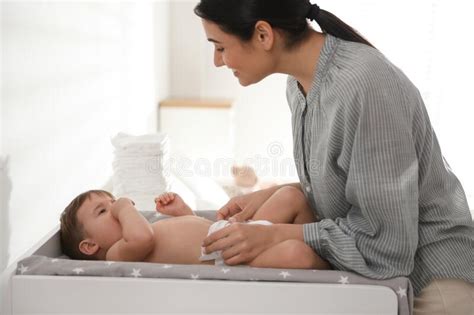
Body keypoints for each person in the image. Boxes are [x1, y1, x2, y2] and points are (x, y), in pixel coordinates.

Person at [194, 1, 474, 314]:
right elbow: (353, 179)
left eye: (220, 47)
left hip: (433, 281)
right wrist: (271, 193)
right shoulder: (299, 85)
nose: (217, 62)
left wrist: (274, 234)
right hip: (386, 273)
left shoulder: (363, 84)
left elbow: (386, 244)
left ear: (263, 35)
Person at [59, 187, 329, 269]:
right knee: (295, 253)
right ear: (90, 245)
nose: (114, 207)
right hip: (231, 257)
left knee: (292, 197)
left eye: (111, 201)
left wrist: (182, 213)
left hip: (230, 231)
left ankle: (330, 250)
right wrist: (124, 207)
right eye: (103, 210)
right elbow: (143, 238)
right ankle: (329, 269)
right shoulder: (115, 254)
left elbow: (195, 231)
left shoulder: (144, 227)